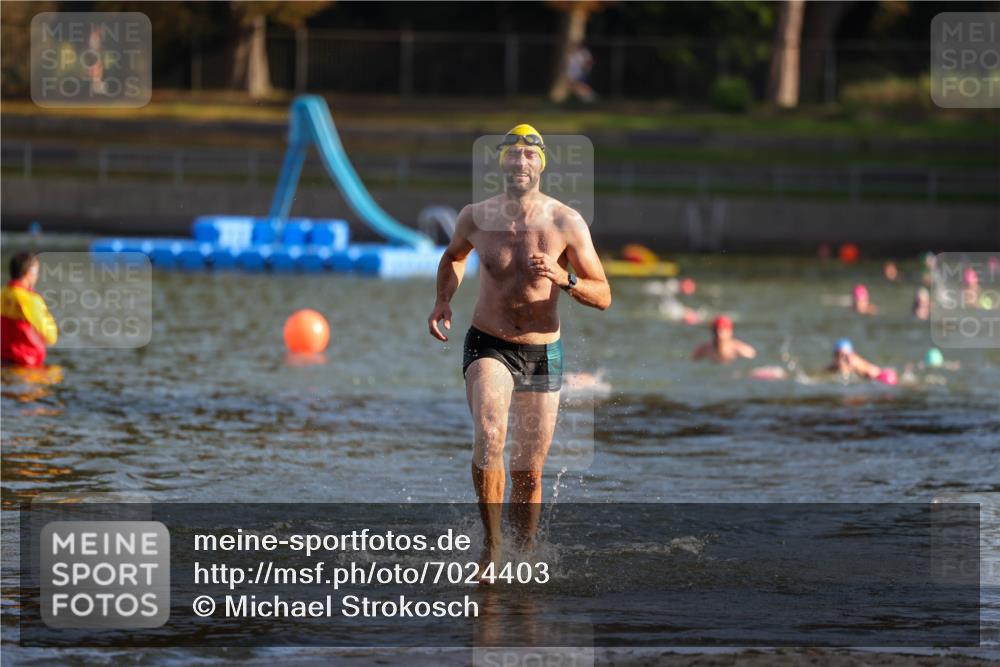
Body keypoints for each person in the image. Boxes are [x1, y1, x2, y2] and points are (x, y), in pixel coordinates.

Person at [428, 124, 611, 578]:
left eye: (530, 155)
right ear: (502, 163)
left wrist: (562, 277)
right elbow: (454, 256)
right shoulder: (476, 216)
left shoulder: (566, 222)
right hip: (488, 342)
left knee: (528, 472)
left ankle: (523, 557)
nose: (521, 161)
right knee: (491, 433)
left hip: (541, 352)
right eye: (513, 154)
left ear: (541, 164)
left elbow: (603, 294)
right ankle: (492, 551)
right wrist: (443, 300)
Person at [1, 252, 58, 367]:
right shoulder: (31, 300)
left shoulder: (2, 294)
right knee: (57, 373)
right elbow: (51, 336)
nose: (37, 276)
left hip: (3, 360)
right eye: (36, 272)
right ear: (28, 273)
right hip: (26, 364)